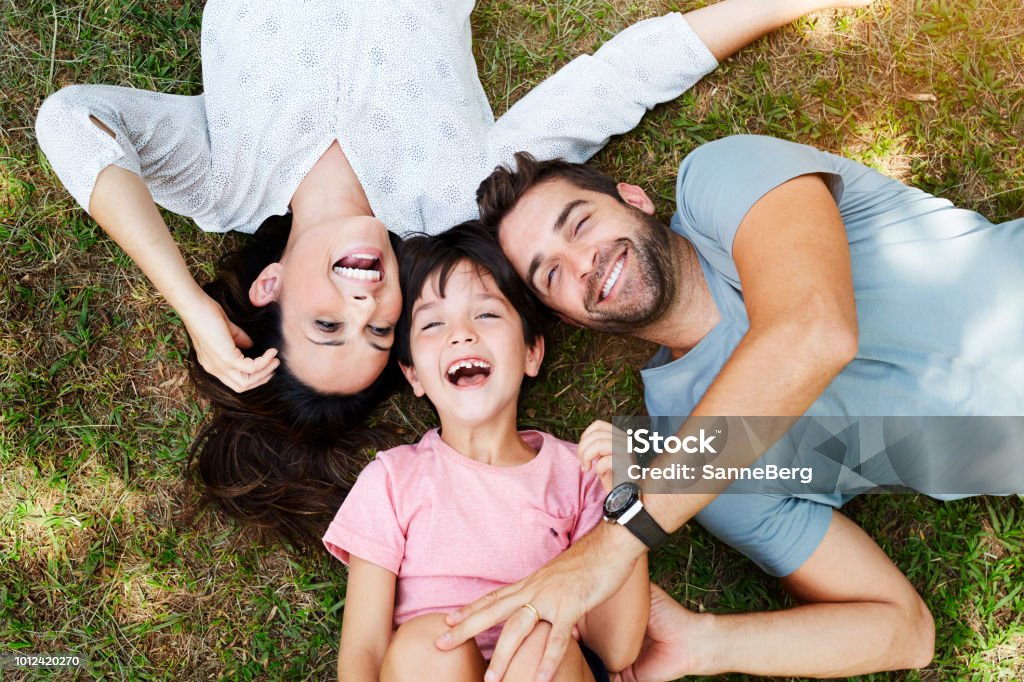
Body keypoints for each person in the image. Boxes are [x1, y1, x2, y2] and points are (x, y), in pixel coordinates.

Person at [34, 0, 860, 542]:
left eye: (329, 321)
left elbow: (72, 119)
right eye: (382, 327)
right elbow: (612, 85)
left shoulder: (221, 181)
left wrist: (185, 299)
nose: (365, 296)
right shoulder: (450, 198)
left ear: (269, 287)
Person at [438, 133, 1024, 680]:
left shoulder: (721, 179)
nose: (582, 262)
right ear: (570, 318)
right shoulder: (689, 467)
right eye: (551, 275)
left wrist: (617, 542)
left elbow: (815, 330)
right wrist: (702, 642)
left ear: (634, 199)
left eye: (580, 224)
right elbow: (903, 630)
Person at [322, 222, 650, 681]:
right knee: (427, 644)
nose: (461, 334)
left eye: (487, 315)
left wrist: (627, 495)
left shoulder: (582, 473)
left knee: (536, 642)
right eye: (434, 323)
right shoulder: (392, 480)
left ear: (532, 352)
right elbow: (365, 649)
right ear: (413, 374)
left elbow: (615, 648)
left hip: (546, 669)